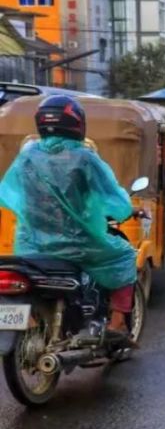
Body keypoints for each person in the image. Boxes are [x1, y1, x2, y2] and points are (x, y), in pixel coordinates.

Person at [0, 96, 136, 335]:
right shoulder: (84, 158)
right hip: (79, 244)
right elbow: (112, 198)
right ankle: (117, 323)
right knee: (124, 255)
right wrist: (124, 210)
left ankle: (32, 320)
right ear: (77, 123)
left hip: (31, 244)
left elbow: (11, 194)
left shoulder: (27, 157)